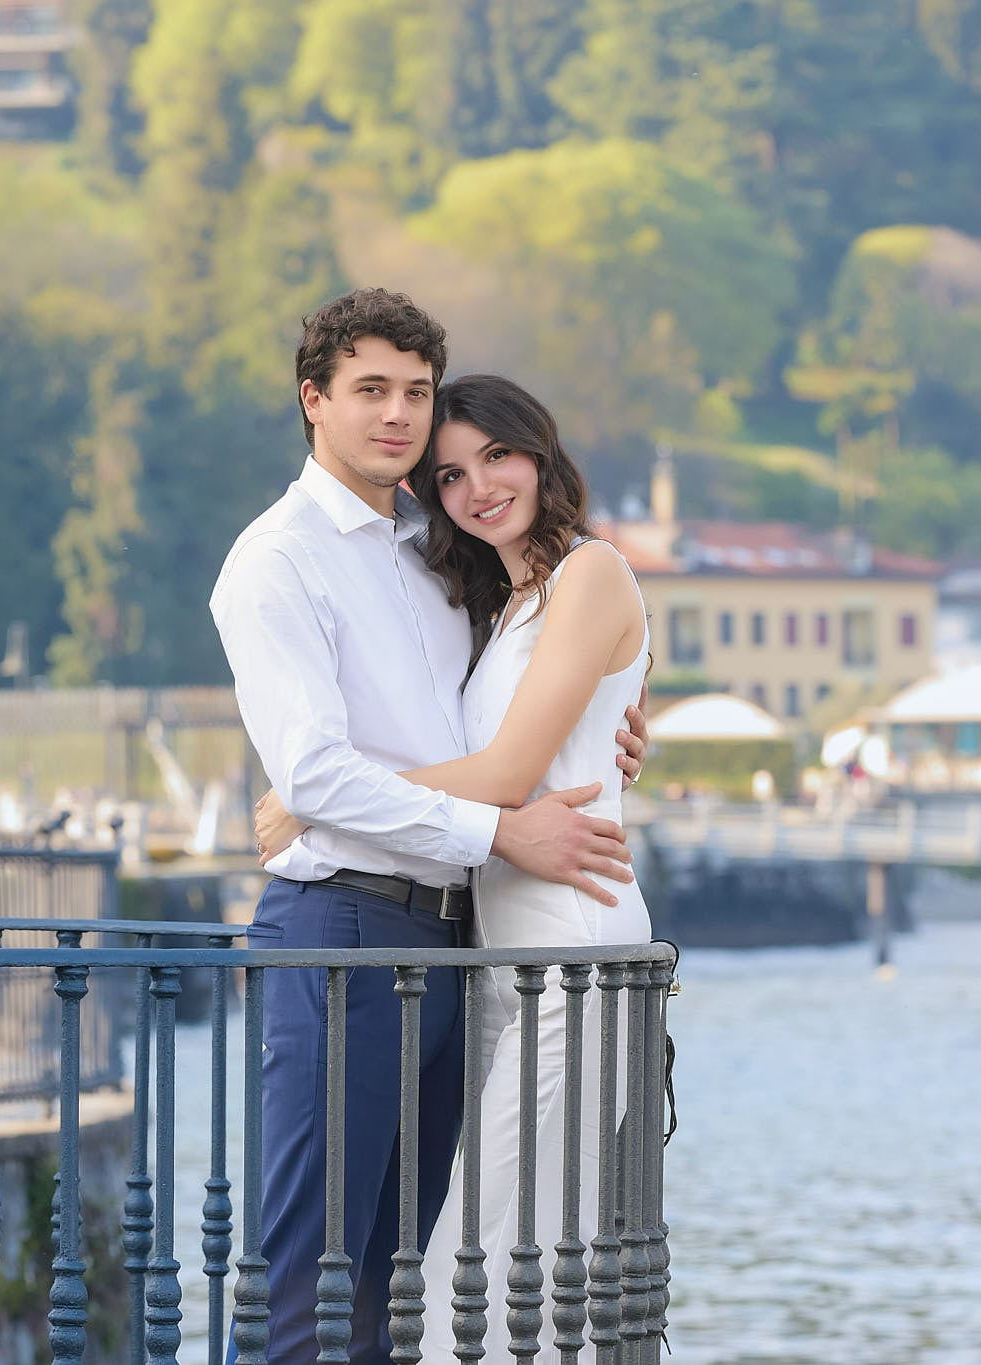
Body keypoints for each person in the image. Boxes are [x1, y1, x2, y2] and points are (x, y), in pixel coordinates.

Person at [210, 289, 647, 1365]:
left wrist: (623, 726)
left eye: (414, 393)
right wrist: (491, 827)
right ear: (313, 401)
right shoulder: (277, 560)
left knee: (413, 1279)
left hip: (465, 944)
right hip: (344, 932)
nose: (398, 418)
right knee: (312, 1269)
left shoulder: (438, 550)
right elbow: (317, 766)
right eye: (370, 391)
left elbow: (527, 717)